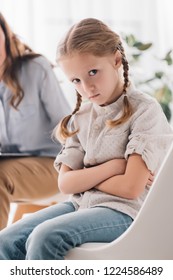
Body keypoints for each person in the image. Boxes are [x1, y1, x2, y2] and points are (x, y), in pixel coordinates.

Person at [0, 17, 173, 260]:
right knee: (5, 241)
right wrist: (114, 167)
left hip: (125, 211)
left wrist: (86, 176)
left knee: (45, 237)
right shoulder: (81, 117)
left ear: (115, 60)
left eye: (93, 72)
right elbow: (66, 184)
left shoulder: (145, 110)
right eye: (76, 81)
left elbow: (130, 188)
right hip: (82, 204)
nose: (87, 88)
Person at [0, 12, 71, 230]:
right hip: (10, 162)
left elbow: (67, 127)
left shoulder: (35, 68)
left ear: (5, 34)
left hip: (54, 164)